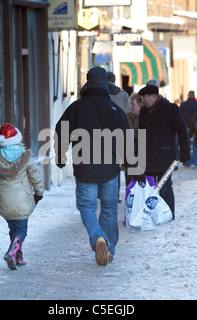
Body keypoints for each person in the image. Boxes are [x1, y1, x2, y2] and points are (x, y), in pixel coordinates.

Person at [54, 66, 130, 266]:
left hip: (85, 167)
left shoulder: (76, 107)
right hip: (110, 168)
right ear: (106, 85)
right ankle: (109, 248)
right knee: (110, 208)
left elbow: (61, 131)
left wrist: (60, 156)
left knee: (87, 206)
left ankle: (98, 237)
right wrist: (130, 162)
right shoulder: (116, 110)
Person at [0, 123, 44, 270]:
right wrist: (39, 193)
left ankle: (18, 257)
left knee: (13, 230)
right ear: (17, 139)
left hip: (5, 202)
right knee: (21, 232)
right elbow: (36, 177)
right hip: (22, 201)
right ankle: (12, 252)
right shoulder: (26, 157)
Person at [137, 84, 190, 219]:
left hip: (165, 156)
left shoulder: (170, 108)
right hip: (148, 156)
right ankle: (151, 216)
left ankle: (169, 215)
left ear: (154, 96)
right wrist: (138, 155)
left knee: (165, 188)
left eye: (144, 97)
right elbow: (141, 134)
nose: (142, 100)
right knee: (148, 189)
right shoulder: (144, 111)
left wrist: (185, 151)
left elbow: (182, 130)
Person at [123, 92, 142, 186]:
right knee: (130, 187)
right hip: (129, 159)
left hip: (143, 160)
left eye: (133, 104)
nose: (131, 107)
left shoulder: (146, 118)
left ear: (140, 105)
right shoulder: (127, 117)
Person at [180, 91, 197, 167]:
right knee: (195, 145)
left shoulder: (183, 105)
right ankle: (195, 162)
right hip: (195, 127)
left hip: (185, 127)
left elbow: (180, 116)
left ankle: (187, 162)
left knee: (187, 144)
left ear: (188, 96)